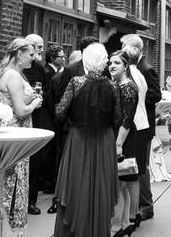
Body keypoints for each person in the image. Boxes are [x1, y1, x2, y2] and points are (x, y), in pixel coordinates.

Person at [53, 43, 119, 237]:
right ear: (104, 62)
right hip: (104, 140)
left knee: (76, 183)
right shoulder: (113, 85)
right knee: (100, 185)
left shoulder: (75, 83)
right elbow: (118, 118)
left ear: (86, 61)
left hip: (79, 139)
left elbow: (59, 113)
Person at [0, 38, 43, 234]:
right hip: (16, 137)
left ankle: (2, 224)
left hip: (9, 133)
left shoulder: (5, 72)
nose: (33, 58)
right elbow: (20, 111)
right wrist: (35, 103)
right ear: (19, 54)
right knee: (13, 181)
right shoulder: (13, 76)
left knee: (6, 179)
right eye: (30, 54)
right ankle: (9, 227)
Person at [46, 36, 97, 214]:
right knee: (65, 164)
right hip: (72, 126)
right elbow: (61, 97)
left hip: (94, 128)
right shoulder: (71, 69)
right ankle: (60, 201)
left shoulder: (102, 70)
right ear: (84, 52)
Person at [121, 33, 161, 222]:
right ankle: (134, 207)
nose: (121, 48)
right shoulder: (132, 68)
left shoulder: (145, 69)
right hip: (136, 124)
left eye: (123, 45)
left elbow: (156, 94)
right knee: (133, 167)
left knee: (140, 168)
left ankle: (146, 206)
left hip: (141, 125)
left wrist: (138, 101)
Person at [109, 47, 142, 237]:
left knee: (120, 182)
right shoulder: (118, 84)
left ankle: (116, 228)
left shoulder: (128, 87)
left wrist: (118, 144)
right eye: (110, 62)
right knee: (123, 182)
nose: (112, 66)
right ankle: (125, 223)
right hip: (121, 135)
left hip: (124, 137)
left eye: (117, 63)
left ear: (126, 66)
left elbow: (127, 119)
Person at [22, 33, 51, 215]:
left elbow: (48, 92)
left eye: (41, 47)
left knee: (35, 162)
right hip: (21, 118)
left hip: (38, 118)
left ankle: (31, 201)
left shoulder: (40, 69)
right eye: (38, 47)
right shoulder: (19, 69)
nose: (40, 51)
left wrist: (39, 96)